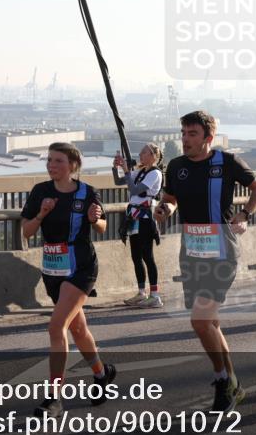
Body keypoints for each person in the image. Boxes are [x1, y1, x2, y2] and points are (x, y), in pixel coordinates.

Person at [155, 111, 256, 413]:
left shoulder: (226, 162)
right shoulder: (176, 166)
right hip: (191, 251)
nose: (185, 139)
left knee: (200, 320)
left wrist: (245, 214)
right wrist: (164, 208)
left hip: (222, 251)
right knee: (210, 323)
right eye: (183, 133)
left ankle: (221, 380)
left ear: (208, 137)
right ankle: (233, 383)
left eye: (192, 134)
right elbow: (170, 198)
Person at [21, 143, 115, 416]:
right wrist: (41, 214)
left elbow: (102, 226)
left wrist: (94, 219)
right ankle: (101, 373)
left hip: (81, 268)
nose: (51, 165)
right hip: (52, 269)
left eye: (58, 161)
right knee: (78, 329)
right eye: (49, 160)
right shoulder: (41, 191)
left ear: (72, 165)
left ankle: (54, 398)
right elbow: (26, 232)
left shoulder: (87, 193)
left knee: (56, 327)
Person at [113, 144, 165, 308]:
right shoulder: (141, 172)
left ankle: (155, 295)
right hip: (134, 217)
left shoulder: (154, 173)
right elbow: (119, 181)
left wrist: (127, 171)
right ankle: (142, 292)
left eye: (144, 152)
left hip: (145, 217)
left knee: (147, 256)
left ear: (153, 155)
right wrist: (117, 168)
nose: (140, 154)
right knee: (136, 256)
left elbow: (134, 190)